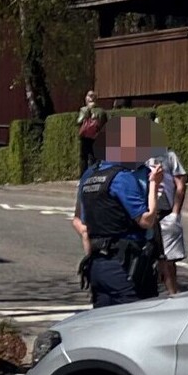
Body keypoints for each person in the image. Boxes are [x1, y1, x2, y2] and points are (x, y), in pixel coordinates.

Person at [72, 116, 164, 308]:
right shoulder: (123, 177)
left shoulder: (90, 175)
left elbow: (80, 222)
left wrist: (89, 248)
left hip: (97, 263)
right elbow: (147, 221)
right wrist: (154, 185)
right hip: (124, 263)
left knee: (104, 319)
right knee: (136, 315)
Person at [147, 112, 188, 294]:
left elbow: (181, 185)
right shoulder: (138, 159)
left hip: (165, 213)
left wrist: (175, 213)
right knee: (146, 256)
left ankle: (173, 294)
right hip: (145, 214)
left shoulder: (169, 156)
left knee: (168, 261)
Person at [74, 91, 104, 175]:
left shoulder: (83, 110)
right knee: (94, 157)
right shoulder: (101, 111)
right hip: (96, 136)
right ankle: (93, 174)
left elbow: (79, 121)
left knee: (84, 157)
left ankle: (83, 176)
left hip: (85, 136)